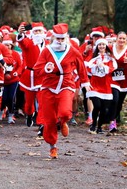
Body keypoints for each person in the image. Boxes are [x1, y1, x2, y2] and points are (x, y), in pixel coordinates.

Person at [33, 23, 89, 159]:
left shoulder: (72, 51)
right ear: (53, 38)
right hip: (48, 87)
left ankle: (63, 121)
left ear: (66, 38)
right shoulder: (46, 51)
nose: (60, 41)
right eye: (57, 39)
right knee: (49, 120)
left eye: (62, 39)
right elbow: (37, 70)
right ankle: (53, 146)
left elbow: (81, 67)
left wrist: (85, 82)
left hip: (65, 84)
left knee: (65, 111)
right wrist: (46, 68)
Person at [85, 37, 116, 134]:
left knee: (104, 108)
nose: (102, 46)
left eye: (103, 44)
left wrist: (103, 66)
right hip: (95, 85)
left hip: (106, 86)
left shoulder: (110, 59)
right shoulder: (93, 59)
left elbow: (111, 69)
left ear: (106, 46)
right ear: (97, 46)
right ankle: (93, 125)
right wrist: (96, 66)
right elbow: (88, 70)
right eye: (100, 44)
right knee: (97, 106)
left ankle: (99, 127)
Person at [109, 31, 127, 131]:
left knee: (119, 101)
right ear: (116, 39)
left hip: (125, 79)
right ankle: (112, 121)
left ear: (126, 40)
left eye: (123, 39)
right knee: (114, 99)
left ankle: (115, 117)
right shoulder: (110, 47)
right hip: (112, 78)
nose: (121, 40)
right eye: (120, 38)